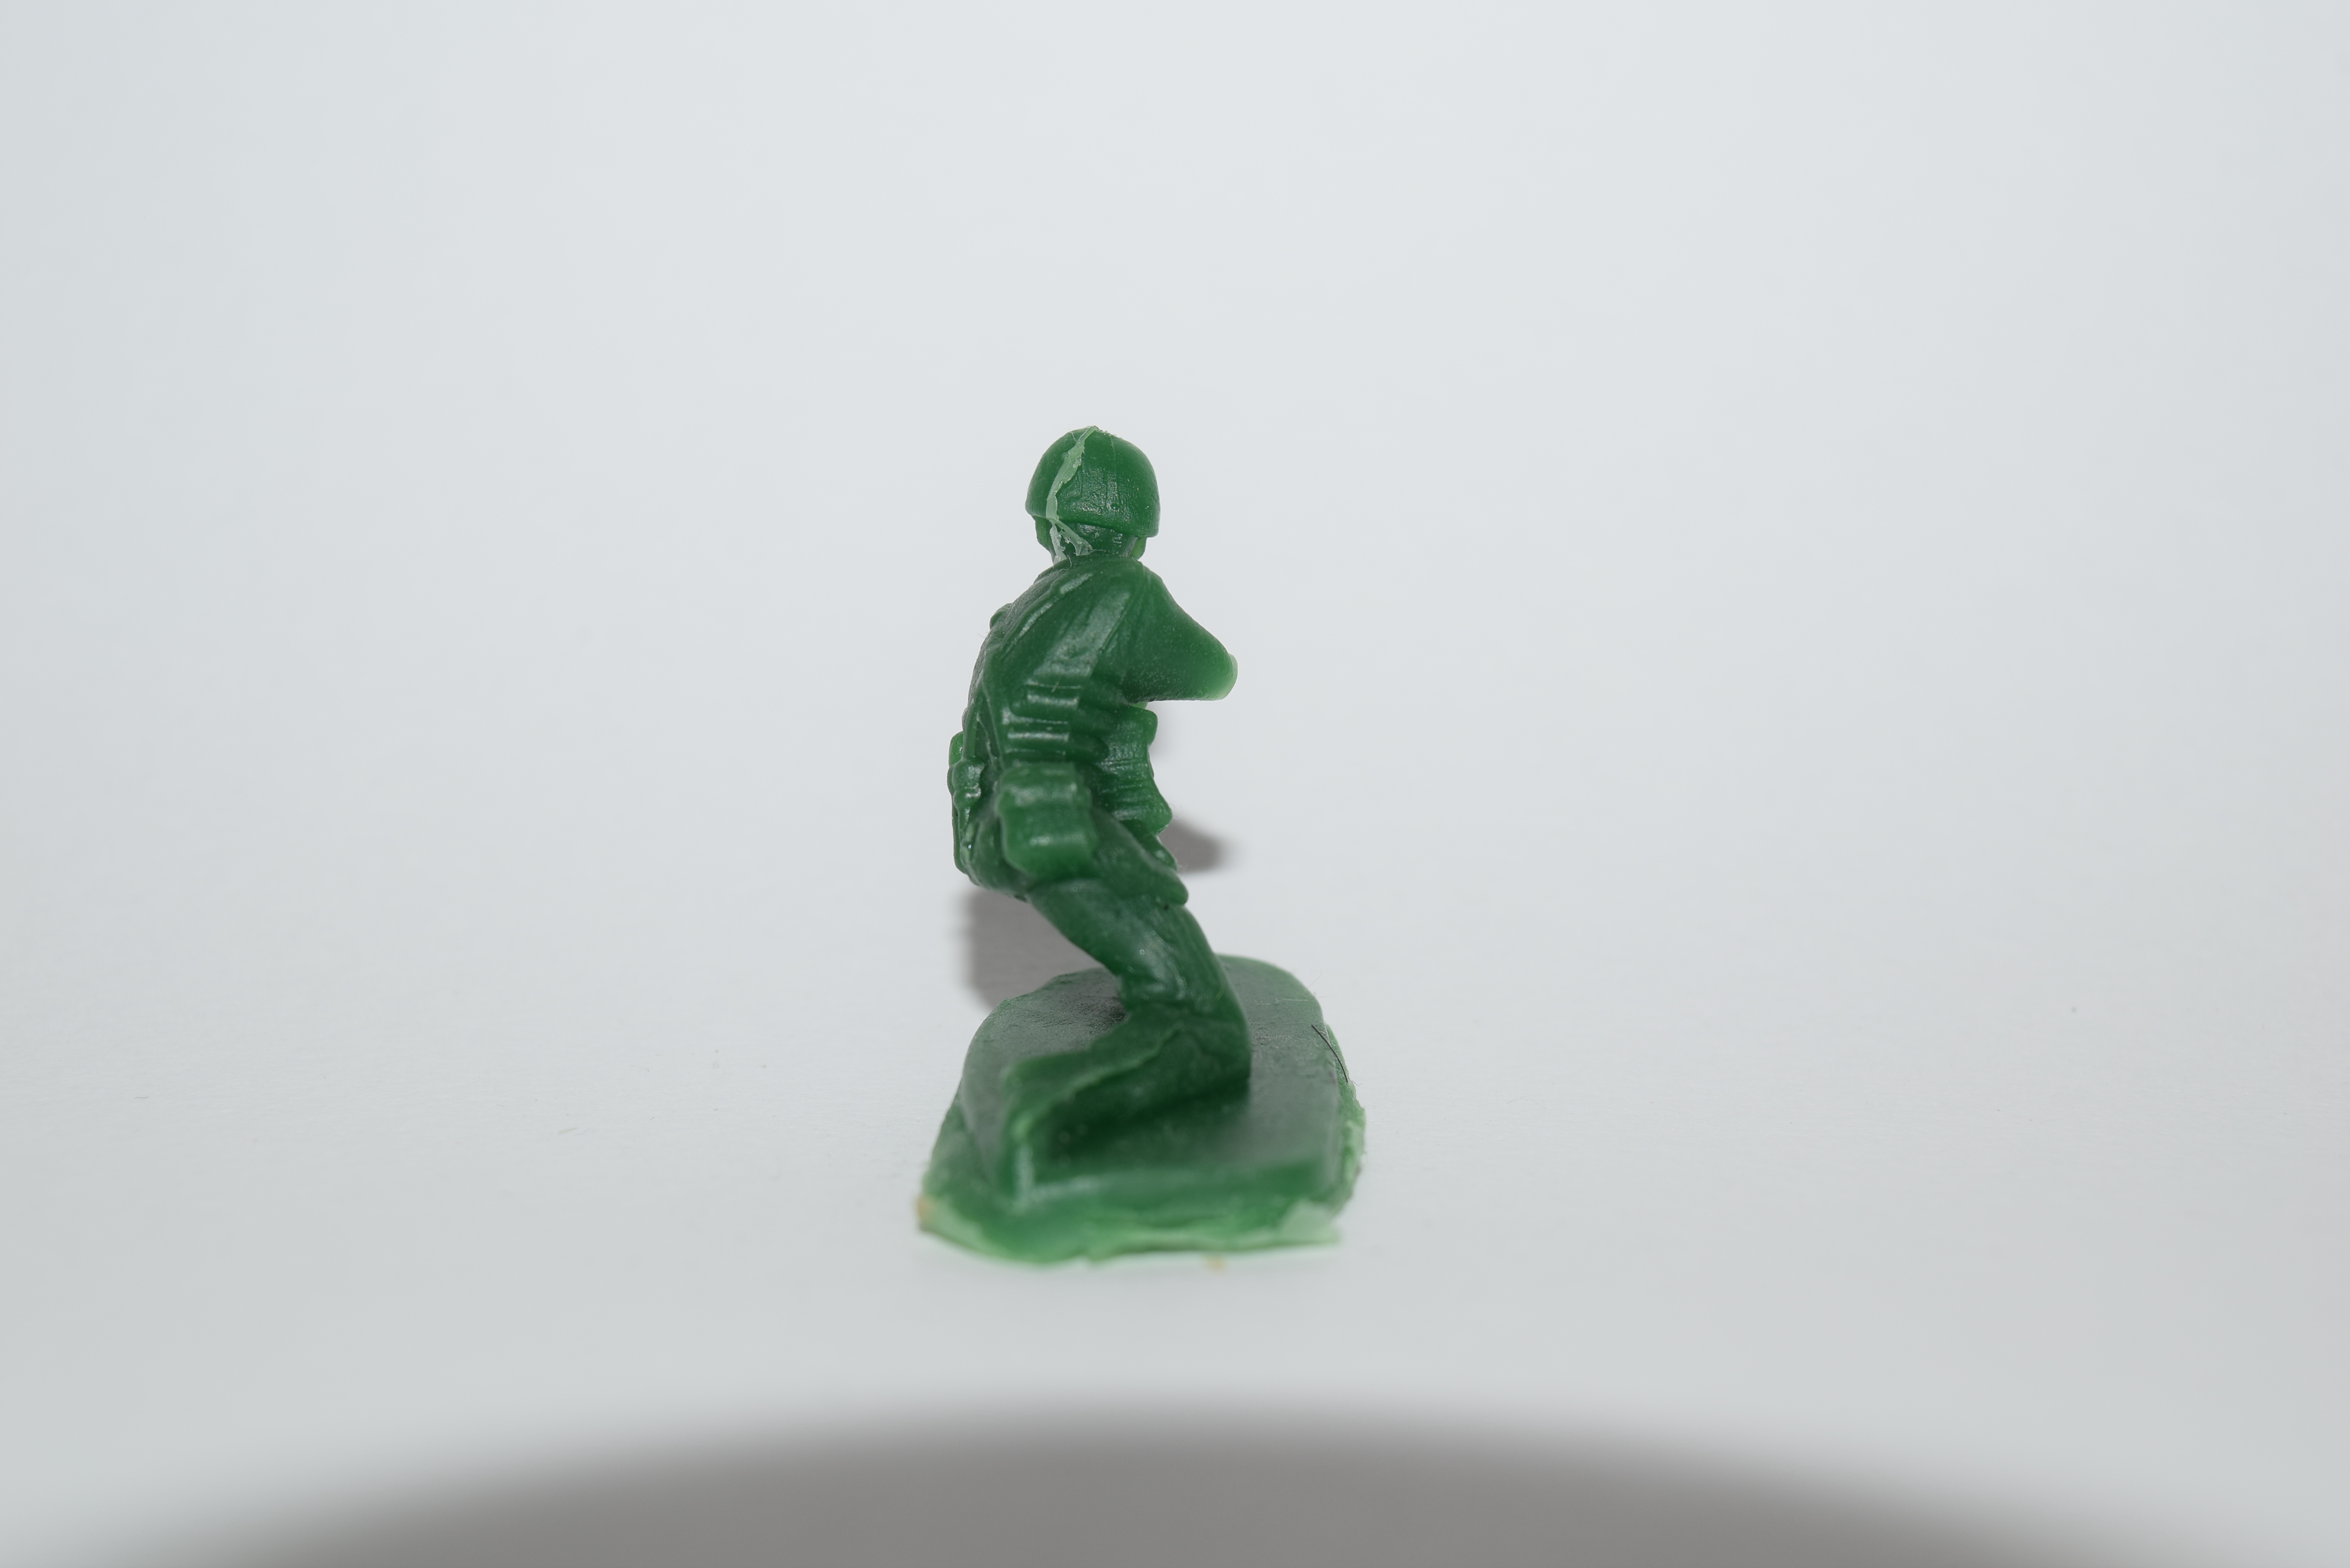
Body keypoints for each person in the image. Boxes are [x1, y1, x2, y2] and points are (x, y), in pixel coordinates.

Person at [949, 427, 1248, 1185]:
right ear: (1138, 531)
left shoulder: (1021, 610)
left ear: (1046, 526)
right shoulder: (1125, 594)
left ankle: (1039, 1110)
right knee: (1203, 1025)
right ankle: (1039, 1118)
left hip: (1006, 824)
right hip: (1062, 824)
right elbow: (1212, 671)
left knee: (1175, 995)